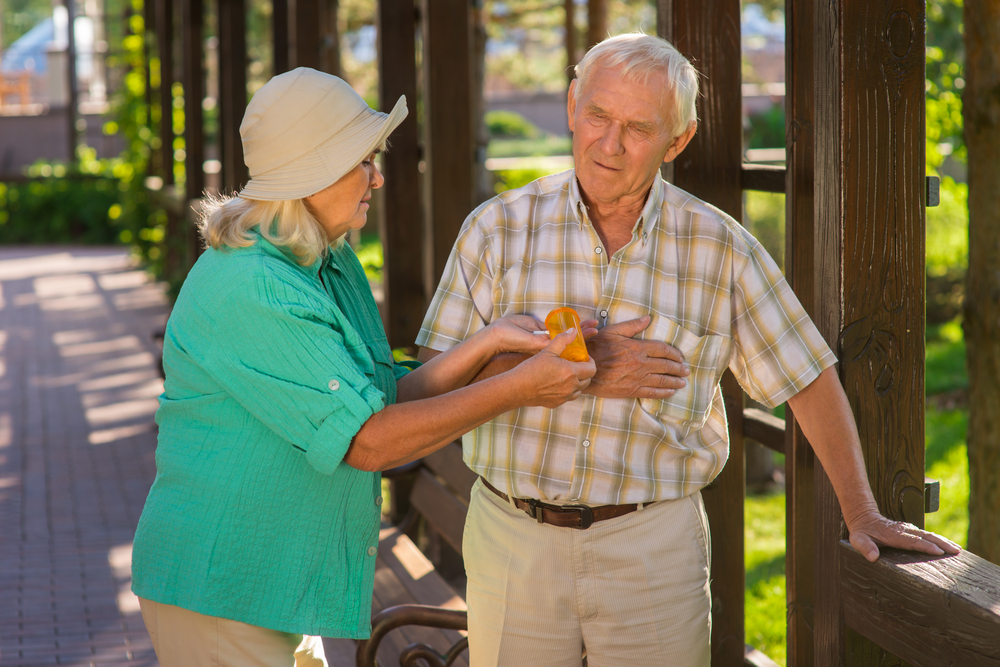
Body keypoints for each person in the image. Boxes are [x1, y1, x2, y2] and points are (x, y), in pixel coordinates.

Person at [416, 33, 961, 666]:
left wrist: (862, 512)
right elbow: (433, 381)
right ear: (571, 105)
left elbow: (806, 376)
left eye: (638, 128)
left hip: (652, 544)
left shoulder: (720, 247)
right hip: (512, 536)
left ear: (678, 141)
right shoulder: (495, 230)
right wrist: (580, 371)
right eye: (596, 115)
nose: (609, 143)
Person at [130, 67, 595, 667]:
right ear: (311, 174)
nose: (378, 175)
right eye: (362, 160)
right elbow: (370, 441)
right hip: (221, 591)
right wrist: (518, 389)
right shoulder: (255, 288)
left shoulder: (325, 259)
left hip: (273, 585)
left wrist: (486, 345)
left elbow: (378, 397)